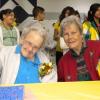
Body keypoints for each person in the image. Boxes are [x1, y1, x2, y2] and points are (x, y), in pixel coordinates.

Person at [58, 15, 100, 82]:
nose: (70, 37)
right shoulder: (62, 62)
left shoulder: (98, 47)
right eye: (66, 34)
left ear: (81, 34)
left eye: (73, 33)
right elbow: (63, 87)